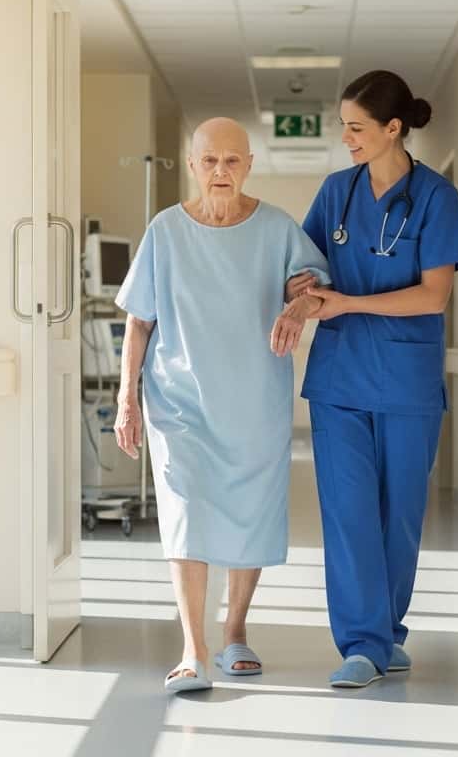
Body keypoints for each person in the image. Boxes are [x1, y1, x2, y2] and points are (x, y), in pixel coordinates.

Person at [113, 117, 329, 694]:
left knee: (248, 509)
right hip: (178, 398)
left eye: (232, 161)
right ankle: (193, 647)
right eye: (209, 161)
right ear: (192, 165)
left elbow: (311, 286)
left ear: (249, 164)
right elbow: (139, 320)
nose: (220, 172)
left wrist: (298, 304)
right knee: (184, 511)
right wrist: (126, 397)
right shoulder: (165, 231)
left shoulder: (278, 228)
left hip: (253, 398)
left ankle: (235, 630)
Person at [288, 70, 458, 688]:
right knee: (347, 513)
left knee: (399, 516)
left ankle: (386, 632)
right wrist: (304, 292)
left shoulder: (437, 198)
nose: (346, 138)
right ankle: (363, 643)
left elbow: (435, 295)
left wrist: (349, 304)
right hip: (338, 380)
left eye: (357, 127)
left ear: (394, 129)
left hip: (406, 381)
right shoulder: (336, 193)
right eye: (343, 126)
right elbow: (305, 265)